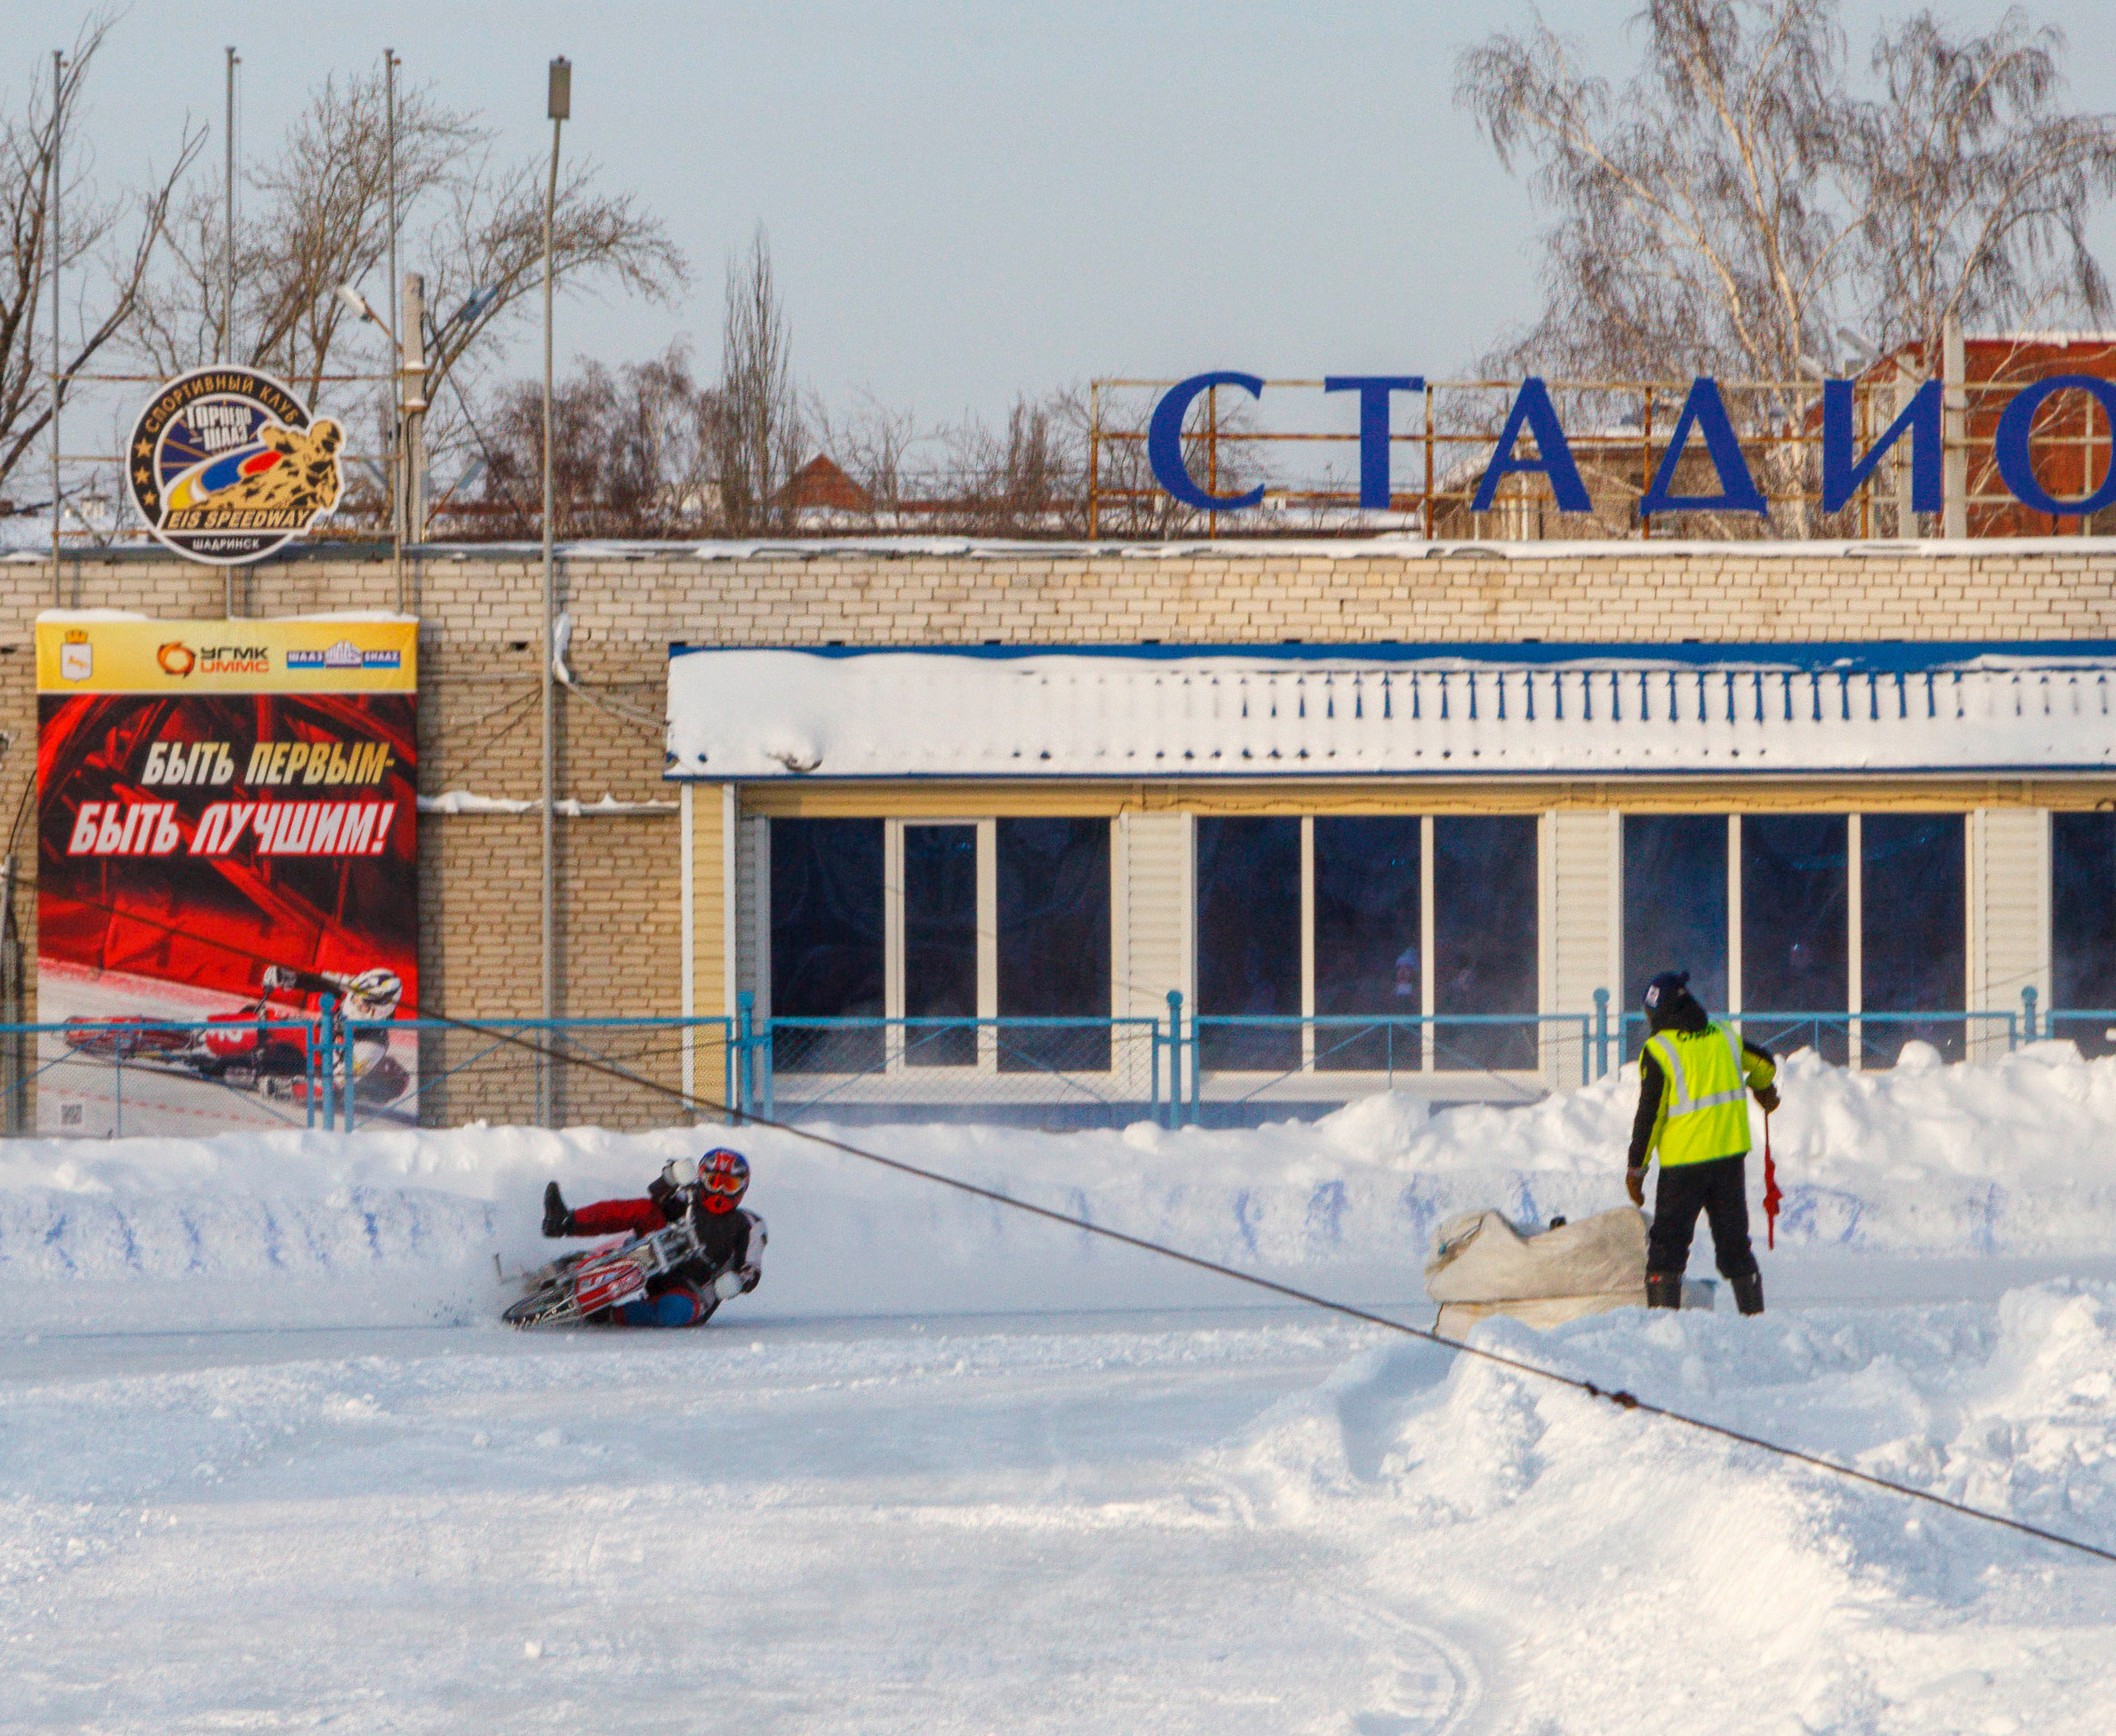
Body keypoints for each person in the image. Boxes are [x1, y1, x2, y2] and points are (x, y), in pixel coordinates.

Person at [1626, 971, 1779, 1316]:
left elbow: (1649, 1117)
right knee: (1735, 1246)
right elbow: (1765, 1065)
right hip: (1728, 1160)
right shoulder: (1724, 1036)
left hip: (1684, 1166)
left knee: (1667, 1250)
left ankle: (1664, 1328)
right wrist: (1762, 1088)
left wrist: (1636, 1168)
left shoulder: (1659, 1050)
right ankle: (1755, 1322)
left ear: (1658, 1013)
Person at [541, 1147, 764, 1327]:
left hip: (694, 1289)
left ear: (742, 1188)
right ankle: (566, 1222)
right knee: (645, 1209)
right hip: (654, 1254)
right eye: (714, 1182)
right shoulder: (689, 1197)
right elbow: (657, 1195)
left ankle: (608, 1315)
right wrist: (672, 1176)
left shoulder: (749, 1224)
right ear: (701, 1178)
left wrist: (737, 1283)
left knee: (675, 1309)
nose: (720, 1192)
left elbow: (752, 1269)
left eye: (729, 1185)